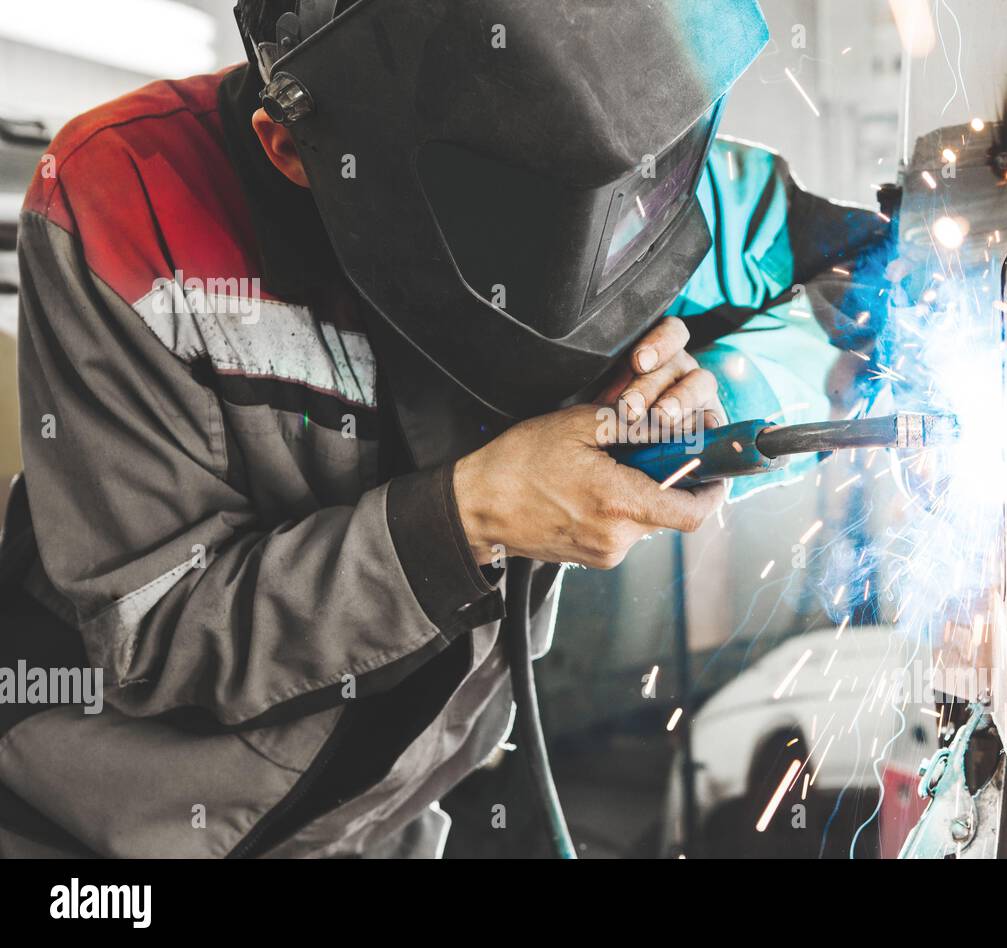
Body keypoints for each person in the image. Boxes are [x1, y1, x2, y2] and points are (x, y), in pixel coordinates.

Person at [0, 0, 888, 857]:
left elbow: (871, 280)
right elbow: (157, 637)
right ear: (290, 146)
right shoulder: (120, 202)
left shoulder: (629, 162)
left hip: (383, 825)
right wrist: (465, 522)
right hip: (92, 837)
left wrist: (707, 397)